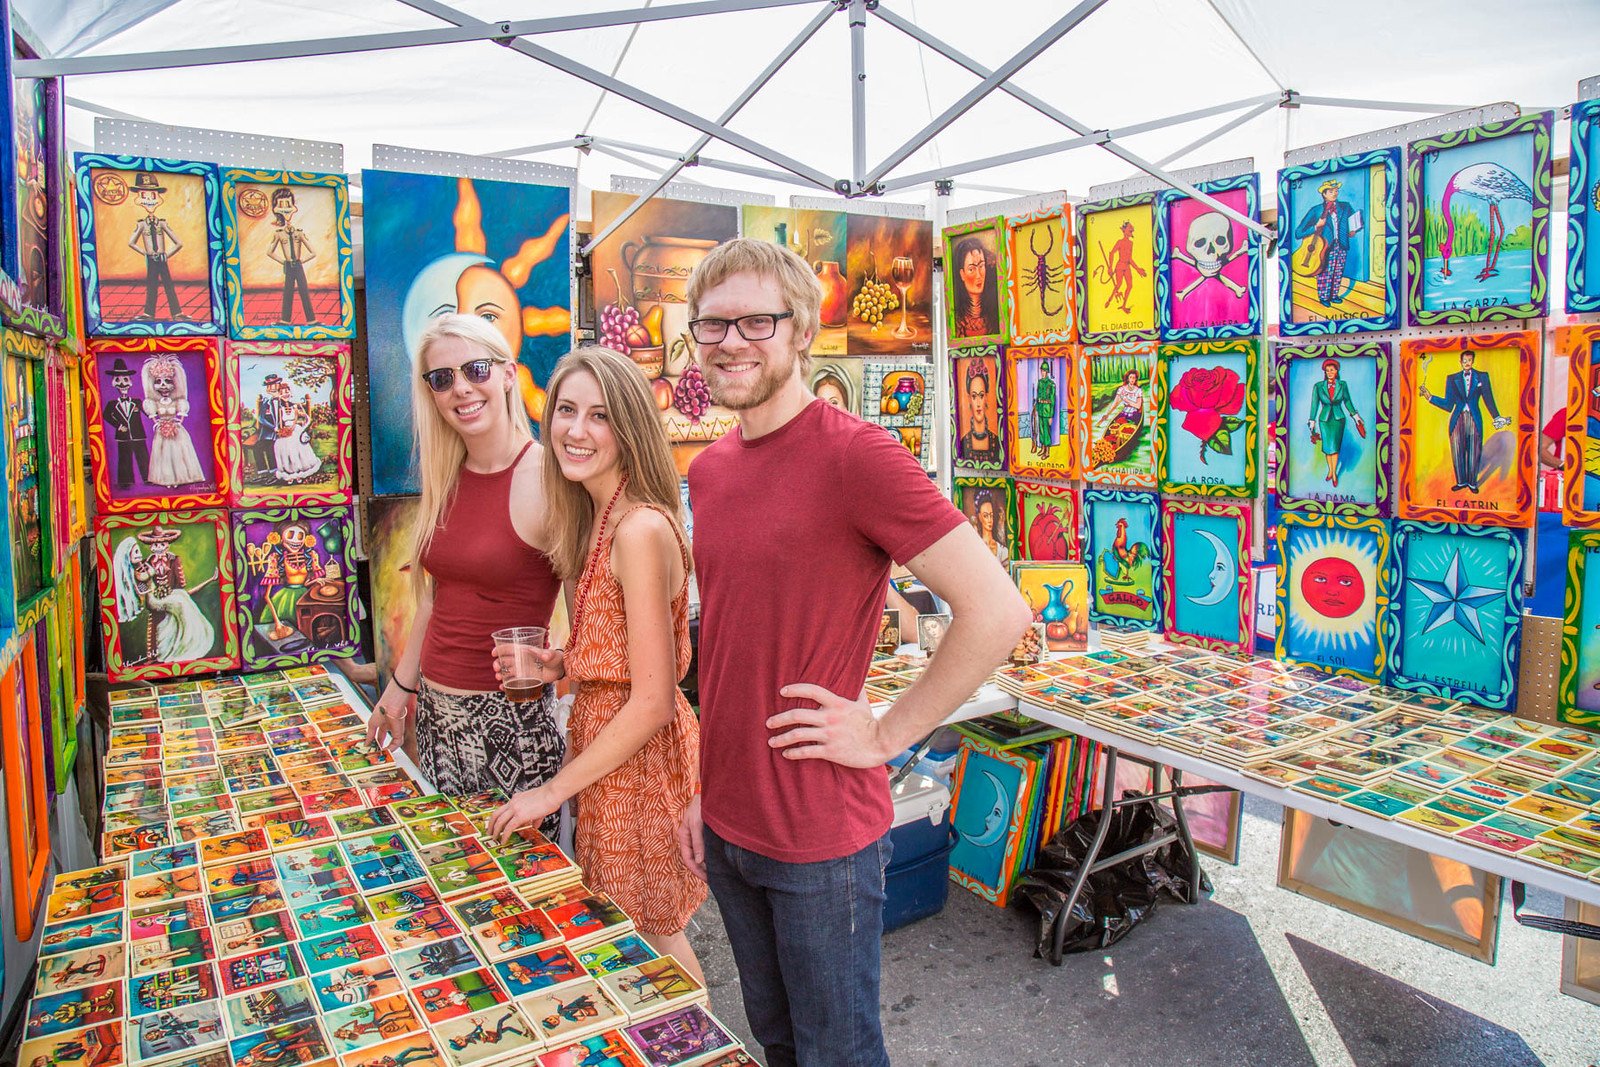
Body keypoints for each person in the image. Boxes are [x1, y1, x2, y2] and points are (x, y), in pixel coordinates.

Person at [675, 238, 1030, 1067]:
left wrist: (883, 732)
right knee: (777, 1042)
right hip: (729, 821)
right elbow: (729, 647)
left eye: (755, 320)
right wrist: (702, 786)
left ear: (802, 330)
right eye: (712, 325)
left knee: (838, 1053)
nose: (731, 341)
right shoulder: (714, 470)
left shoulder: (856, 455)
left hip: (820, 834)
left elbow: (996, 611)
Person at [486, 346, 706, 983]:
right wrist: (561, 665)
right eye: (566, 411)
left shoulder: (637, 529)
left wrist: (551, 793)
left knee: (653, 937)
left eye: (600, 416)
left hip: (636, 762)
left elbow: (653, 699)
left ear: (629, 426)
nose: (576, 430)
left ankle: (698, 1047)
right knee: (634, 930)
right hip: (610, 751)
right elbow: (626, 660)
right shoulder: (599, 516)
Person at [365, 314, 564, 841]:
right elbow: (435, 599)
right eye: (442, 378)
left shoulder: (549, 479)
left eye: (475, 369)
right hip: (435, 714)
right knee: (456, 889)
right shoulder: (446, 474)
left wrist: (562, 667)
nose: (461, 388)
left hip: (512, 727)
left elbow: (590, 609)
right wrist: (398, 688)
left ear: (506, 374)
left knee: (522, 899)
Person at [1420, 349, 1511, 493]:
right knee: (1457, 450)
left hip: (1474, 418)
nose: (1467, 363)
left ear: (1473, 361)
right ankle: (1461, 482)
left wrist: (1497, 417)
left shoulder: (1482, 377)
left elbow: (1489, 399)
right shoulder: (1452, 379)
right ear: (1460, 362)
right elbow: (1448, 404)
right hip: (1458, 419)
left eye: (1469, 360)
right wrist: (1429, 397)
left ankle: (1472, 483)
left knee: (1475, 450)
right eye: (1464, 360)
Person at [125, 172, 185, 321]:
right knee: (151, 285)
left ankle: (176, 313)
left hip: (162, 258)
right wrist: (145, 253)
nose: (149, 200)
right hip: (152, 258)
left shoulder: (162, 223)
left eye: (153, 196)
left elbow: (179, 242)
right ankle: (149, 313)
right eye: (144, 196)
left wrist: (167, 254)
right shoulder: (141, 224)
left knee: (168, 284)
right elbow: (131, 242)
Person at [141, 355, 206, 487]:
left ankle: (180, 478)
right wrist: (157, 423)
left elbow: (181, 413)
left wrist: (177, 423)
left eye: (167, 381)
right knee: (164, 456)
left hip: (176, 429)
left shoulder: (178, 402)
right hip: (162, 430)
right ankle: (167, 480)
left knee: (179, 453)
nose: (163, 385)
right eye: (158, 381)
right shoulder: (154, 403)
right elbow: (153, 414)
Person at [1295, 178, 1358, 307]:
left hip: (1341, 244)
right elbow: (1298, 232)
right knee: (1325, 272)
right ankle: (1323, 297)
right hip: (1323, 246)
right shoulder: (1316, 210)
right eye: (1330, 191)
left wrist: (1353, 229)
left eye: (1336, 190)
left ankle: (1334, 295)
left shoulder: (1345, 207)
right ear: (1324, 194)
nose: (1334, 193)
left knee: (1338, 271)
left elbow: (1354, 220)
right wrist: (1315, 227)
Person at [1306, 358, 1365, 488]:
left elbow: (1347, 401)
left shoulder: (1342, 385)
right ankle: (1332, 471)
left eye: (1331, 370)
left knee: (1335, 447)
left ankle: (1333, 473)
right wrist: (1312, 419)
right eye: (1327, 371)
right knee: (1328, 447)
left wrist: (1355, 416)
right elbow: (1314, 404)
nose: (1329, 373)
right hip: (1324, 419)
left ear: (1336, 371)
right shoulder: (1318, 386)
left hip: (1338, 419)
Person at [267, 187, 318, 325]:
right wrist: (284, 262)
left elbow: (313, 252)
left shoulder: (299, 233)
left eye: (288, 204)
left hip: (298, 264)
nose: (285, 209)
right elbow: (269, 252)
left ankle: (312, 320)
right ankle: (285, 320)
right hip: (289, 265)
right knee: (288, 292)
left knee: (304, 291)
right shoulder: (279, 233)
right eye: (280, 205)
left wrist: (301, 260)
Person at [103, 357, 151, 489]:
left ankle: (148, 478)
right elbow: (106, 415)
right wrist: (118, 425)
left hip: (138, 434)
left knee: (143, 456)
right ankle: (125, 482)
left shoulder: (137, 402)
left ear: (130, 382)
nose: (122, 384)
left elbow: (148, 412)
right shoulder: (112, 404)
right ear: (114, 383)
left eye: (125, 380)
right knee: (124, 458)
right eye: (118, 380)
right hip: (123, 436)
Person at [951, 235, 999, 337]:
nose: (978, 275)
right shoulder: (956, 321)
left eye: (981, 266)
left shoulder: (996, 315)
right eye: (971, 269)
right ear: (962, 274)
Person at [957, 360, 1000, 465]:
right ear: (969, 399)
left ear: (986, 397)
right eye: (974, 396)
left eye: (981, 395)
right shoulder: (963, 443)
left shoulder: (997, 442)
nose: (978, 403)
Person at [1031, 358, 1057, 460]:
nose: (1042, 373)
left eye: (1044, 371)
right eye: (1041, 370)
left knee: (1047, 432)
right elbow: (1038, 396)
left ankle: (1047, 451)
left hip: (1047, 410)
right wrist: (1036, 408)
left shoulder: (1051, 384)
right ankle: (1042, 447)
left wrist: (1051, 415)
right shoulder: (1040, 382)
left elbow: (1052, 401)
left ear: (1047, 372)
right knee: (1041, 431)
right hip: (1040, 409)